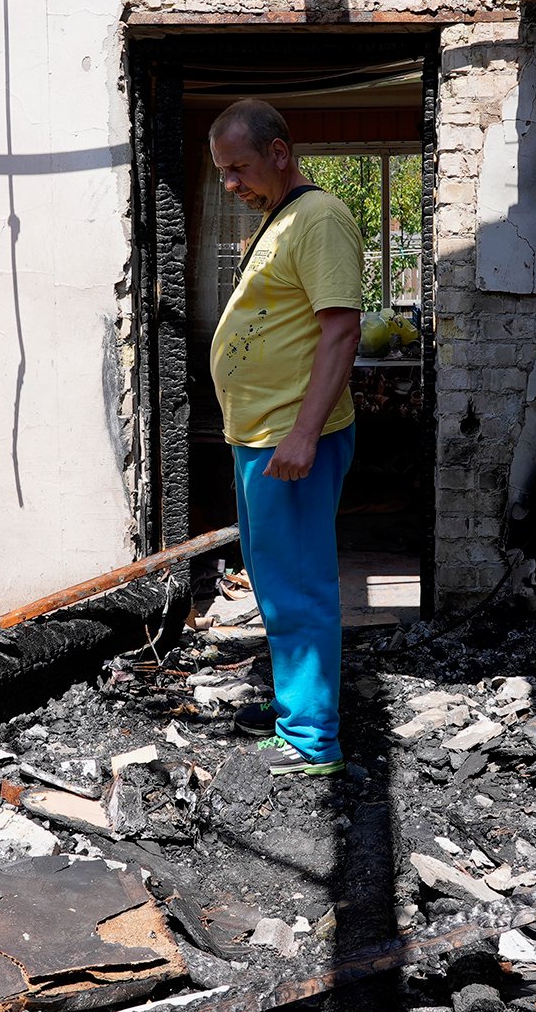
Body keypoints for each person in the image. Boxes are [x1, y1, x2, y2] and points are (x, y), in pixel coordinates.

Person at [208, 98, 363, 778]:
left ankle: (312, 740)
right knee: (274, 582)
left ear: (279, 152)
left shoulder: (320, 217)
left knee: (298, 584)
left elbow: (341, 329)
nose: (230, 184)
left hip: (290, 439)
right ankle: (297, 705)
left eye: (239, 167)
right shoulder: (282, 218)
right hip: (260, 436)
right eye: (221, 173)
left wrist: (302, 434)